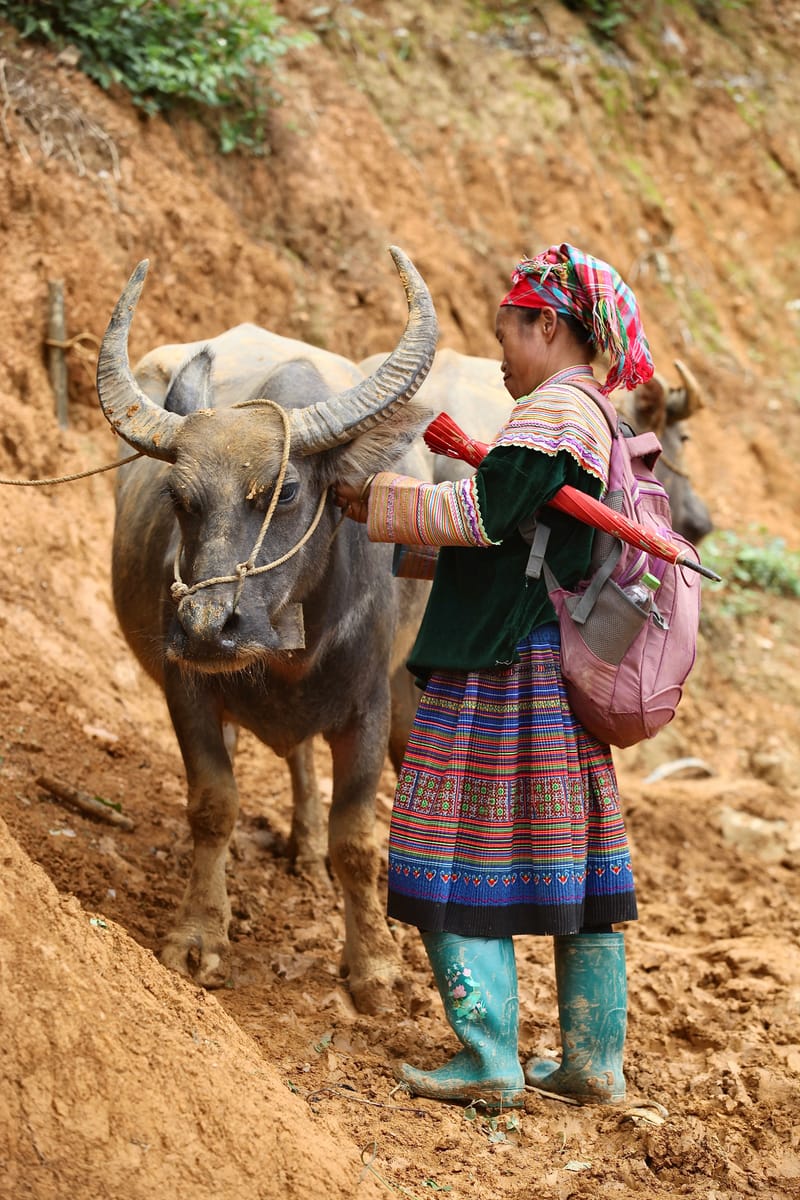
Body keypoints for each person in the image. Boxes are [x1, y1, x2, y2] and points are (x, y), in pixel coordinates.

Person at [335, 243, 654, 1111]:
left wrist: (377, 503)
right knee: (575, 860)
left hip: (502, 665)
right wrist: (414, 538)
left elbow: (484, 514)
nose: (502, 355)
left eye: (507, 333)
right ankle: (591, 1062)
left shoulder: (549, 414)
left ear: (546, 325)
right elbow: (528, 546)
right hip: (554, 656)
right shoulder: (597, 413)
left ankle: (486, 1056)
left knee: (443, 844)